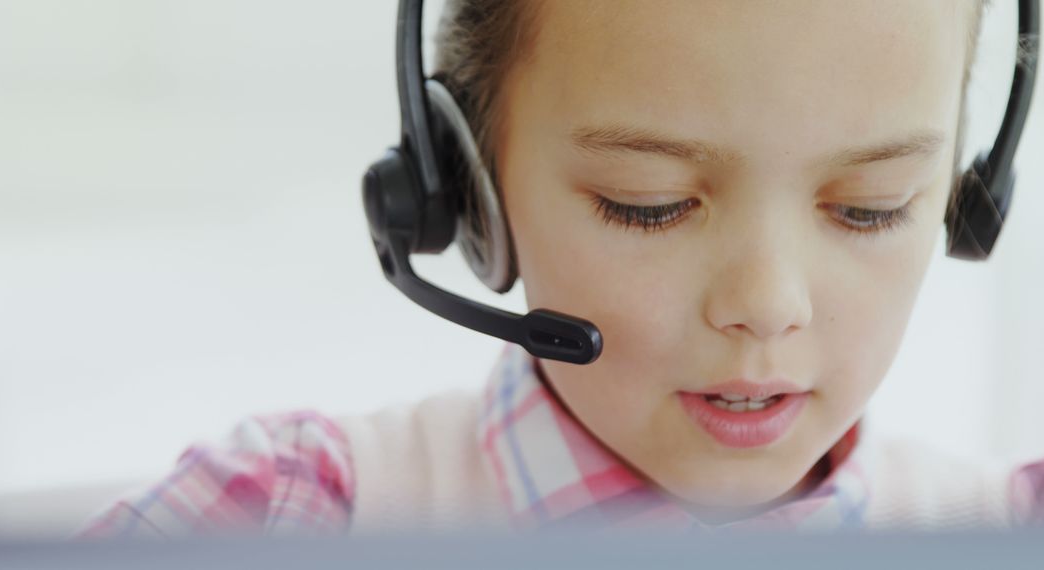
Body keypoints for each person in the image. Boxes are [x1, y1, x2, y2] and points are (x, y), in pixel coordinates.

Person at [81, 0, 1044, 537]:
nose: (765, 307)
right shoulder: (289, 517)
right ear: (464, 185)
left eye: (871, 208)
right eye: (646, 201)